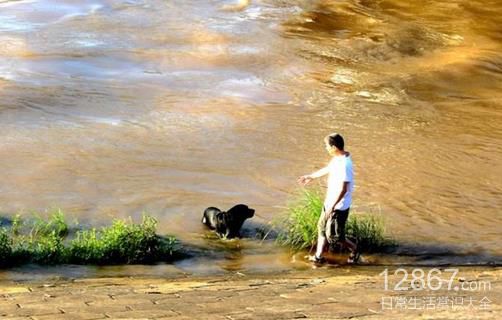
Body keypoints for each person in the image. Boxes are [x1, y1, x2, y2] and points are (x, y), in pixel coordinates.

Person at [297, 133, 359, 264]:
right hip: (330, 202)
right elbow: (328, 169)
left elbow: (344, 189)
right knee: (321, 227)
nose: (326, 148)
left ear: (334, 147)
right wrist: (311, 176)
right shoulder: (338, 158)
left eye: (327, 146)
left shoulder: (345, 164)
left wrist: (333, 206)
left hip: (339, 206)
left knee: (335, 236)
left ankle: (355, 249)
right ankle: (318, 256)